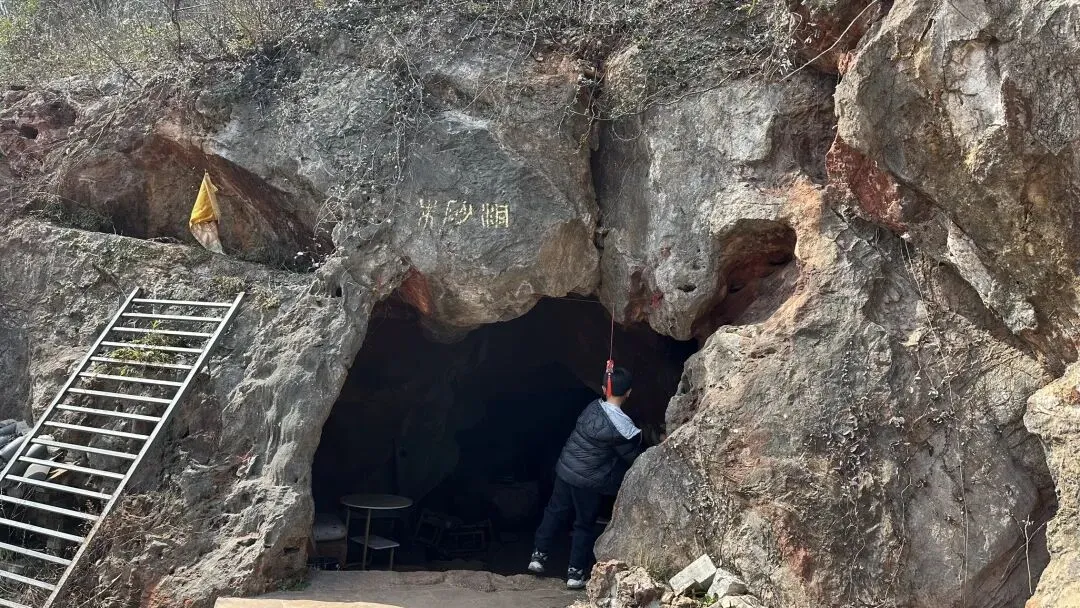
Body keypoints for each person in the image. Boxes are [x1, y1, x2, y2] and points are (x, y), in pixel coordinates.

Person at [528, 366, 643, 589]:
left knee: (554, 511)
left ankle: (538, 556)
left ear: (603, 389)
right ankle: (575, 573)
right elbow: (633, 457)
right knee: (584, 524)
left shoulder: (591, 409)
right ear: (629, 392)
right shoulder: (623, 428)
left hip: (565, 470)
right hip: (588, 482)